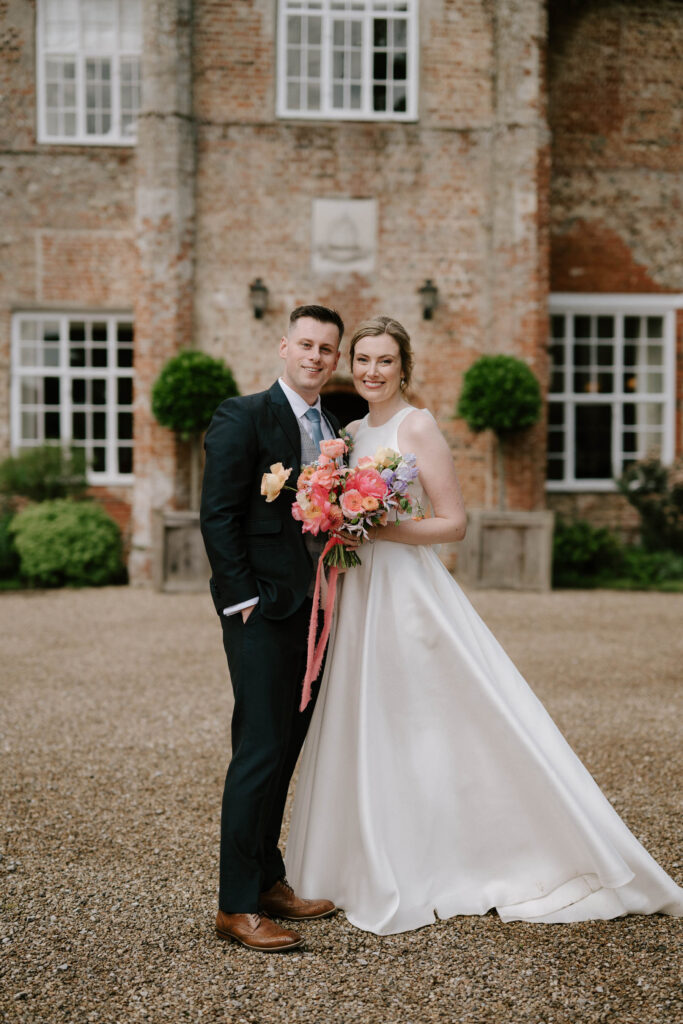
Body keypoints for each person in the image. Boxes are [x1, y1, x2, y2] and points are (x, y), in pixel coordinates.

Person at [285, 315, 683, 935]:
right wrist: (333, 516)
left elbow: (453, 523)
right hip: (360, 588)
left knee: (431, 714)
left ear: (403, 367)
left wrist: (372, 525)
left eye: (384, 361)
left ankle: (465, 848)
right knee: (370, 715)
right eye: (361, 360)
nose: (371, 370)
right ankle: (365, 853)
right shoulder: (352, 431)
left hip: (406, 590)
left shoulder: (416, 424)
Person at [200, 304, 345, 952]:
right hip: (262, 610)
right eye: (306, 344)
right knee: (258, 749)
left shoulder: (333, 426)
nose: (315, 356)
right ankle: (235, 905)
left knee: (285, 747)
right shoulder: (244, 415)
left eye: (327, 350)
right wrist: (240, 602)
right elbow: (218, 513)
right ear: (284, 346)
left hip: (316, 609)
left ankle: (267, 878)